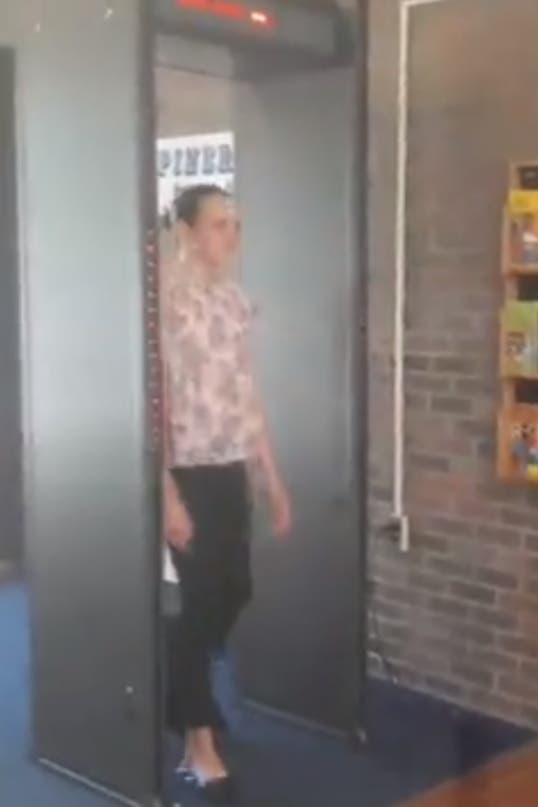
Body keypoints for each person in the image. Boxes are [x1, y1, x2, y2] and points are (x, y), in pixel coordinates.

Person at [161, 184, 292, 801]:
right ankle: (198, 740)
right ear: (186, 232)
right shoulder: (163, 302)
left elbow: (246, 392)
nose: (231, 237)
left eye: (235, 225)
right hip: (185, 470)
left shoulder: (235, 301)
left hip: (230, 466)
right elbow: (152, 402)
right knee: (197, 602)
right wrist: (166, 495)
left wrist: (272, 478)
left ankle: (181, 691)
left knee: (234, 589)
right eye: (218, 225)